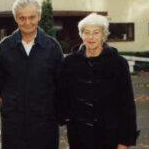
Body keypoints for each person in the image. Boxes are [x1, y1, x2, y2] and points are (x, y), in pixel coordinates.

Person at [58, 13, 139, 149]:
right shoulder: (70, 62)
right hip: (79, 135)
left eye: (96, 32)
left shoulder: (118, 63)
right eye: (86, 33)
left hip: (109, 135)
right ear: (81, 35)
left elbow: (127, 104)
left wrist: (125, 141)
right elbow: (62, 93)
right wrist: (65, 115)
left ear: (103, 35)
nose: (91, 37)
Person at [0, 0, 64, 149]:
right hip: (14, 122)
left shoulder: (52, 47)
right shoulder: (5, 47)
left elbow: (60, 83)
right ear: (16, 19)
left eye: (32, 17)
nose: (27, 22)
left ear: (39, 16)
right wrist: (13, 102)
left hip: (45, 122)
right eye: (22, 18)